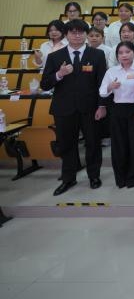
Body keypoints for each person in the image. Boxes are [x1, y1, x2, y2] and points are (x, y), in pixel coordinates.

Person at [40, 19, 108, 195]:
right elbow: (45, 84)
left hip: (90, 108)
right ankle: (68, 178)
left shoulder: (97, 55)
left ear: (86, 34)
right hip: (64, 108)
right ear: (66, 35)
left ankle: (94, 176)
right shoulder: (55, 56)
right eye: (73, 32)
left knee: (93, 143)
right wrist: (59, 74)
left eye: (80, 32)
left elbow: (102, 83)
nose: (77, 35)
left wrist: (102, 106)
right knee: (66, 145)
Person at [98, 42, 134, 188]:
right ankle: (121, 177)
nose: (124, 55)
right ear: (117, 56)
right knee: (119, 145)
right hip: (117, 109)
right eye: (120, 53)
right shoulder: (111, 71)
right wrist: (110, 87)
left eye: (127, 52)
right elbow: (102, 92)